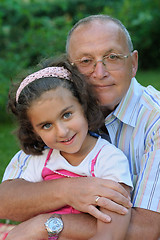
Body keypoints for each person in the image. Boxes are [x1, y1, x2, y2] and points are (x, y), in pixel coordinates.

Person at [1, 14, 160, 239]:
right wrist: (69, 190)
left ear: (133, 63)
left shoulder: (156, 121)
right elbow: (6, 202)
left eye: (112, 57)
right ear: (71, 69)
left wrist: (45, 224)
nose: (100, 72)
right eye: (86, 61)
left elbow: (148, 230)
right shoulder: (57, 115)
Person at [5, 63, 132, 240]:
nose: (62, 131)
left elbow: (111, 232)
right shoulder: (40, 161)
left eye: (67, 115)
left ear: (83, 106)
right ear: (34, 132)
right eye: (47, 125)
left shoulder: (108, 160)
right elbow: (14, 204)